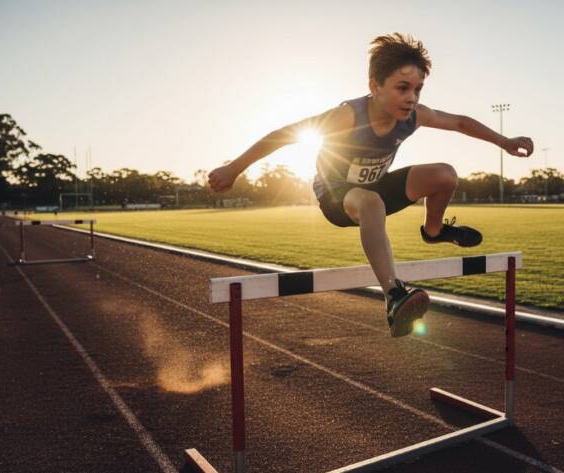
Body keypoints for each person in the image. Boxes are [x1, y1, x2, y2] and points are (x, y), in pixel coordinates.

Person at [208, 33, 533, 337]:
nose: (411, 98)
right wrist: (234, 168)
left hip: (377, 187)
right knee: (370, 202)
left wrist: (504, 141)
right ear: (374, 87)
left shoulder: (414, 116)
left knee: (445, 174)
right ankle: (393, 295)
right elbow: (284, 134)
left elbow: (459, 122)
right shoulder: (347, 116)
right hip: (337, 197)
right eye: (402, 88)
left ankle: (433, 232)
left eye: (418, 89)